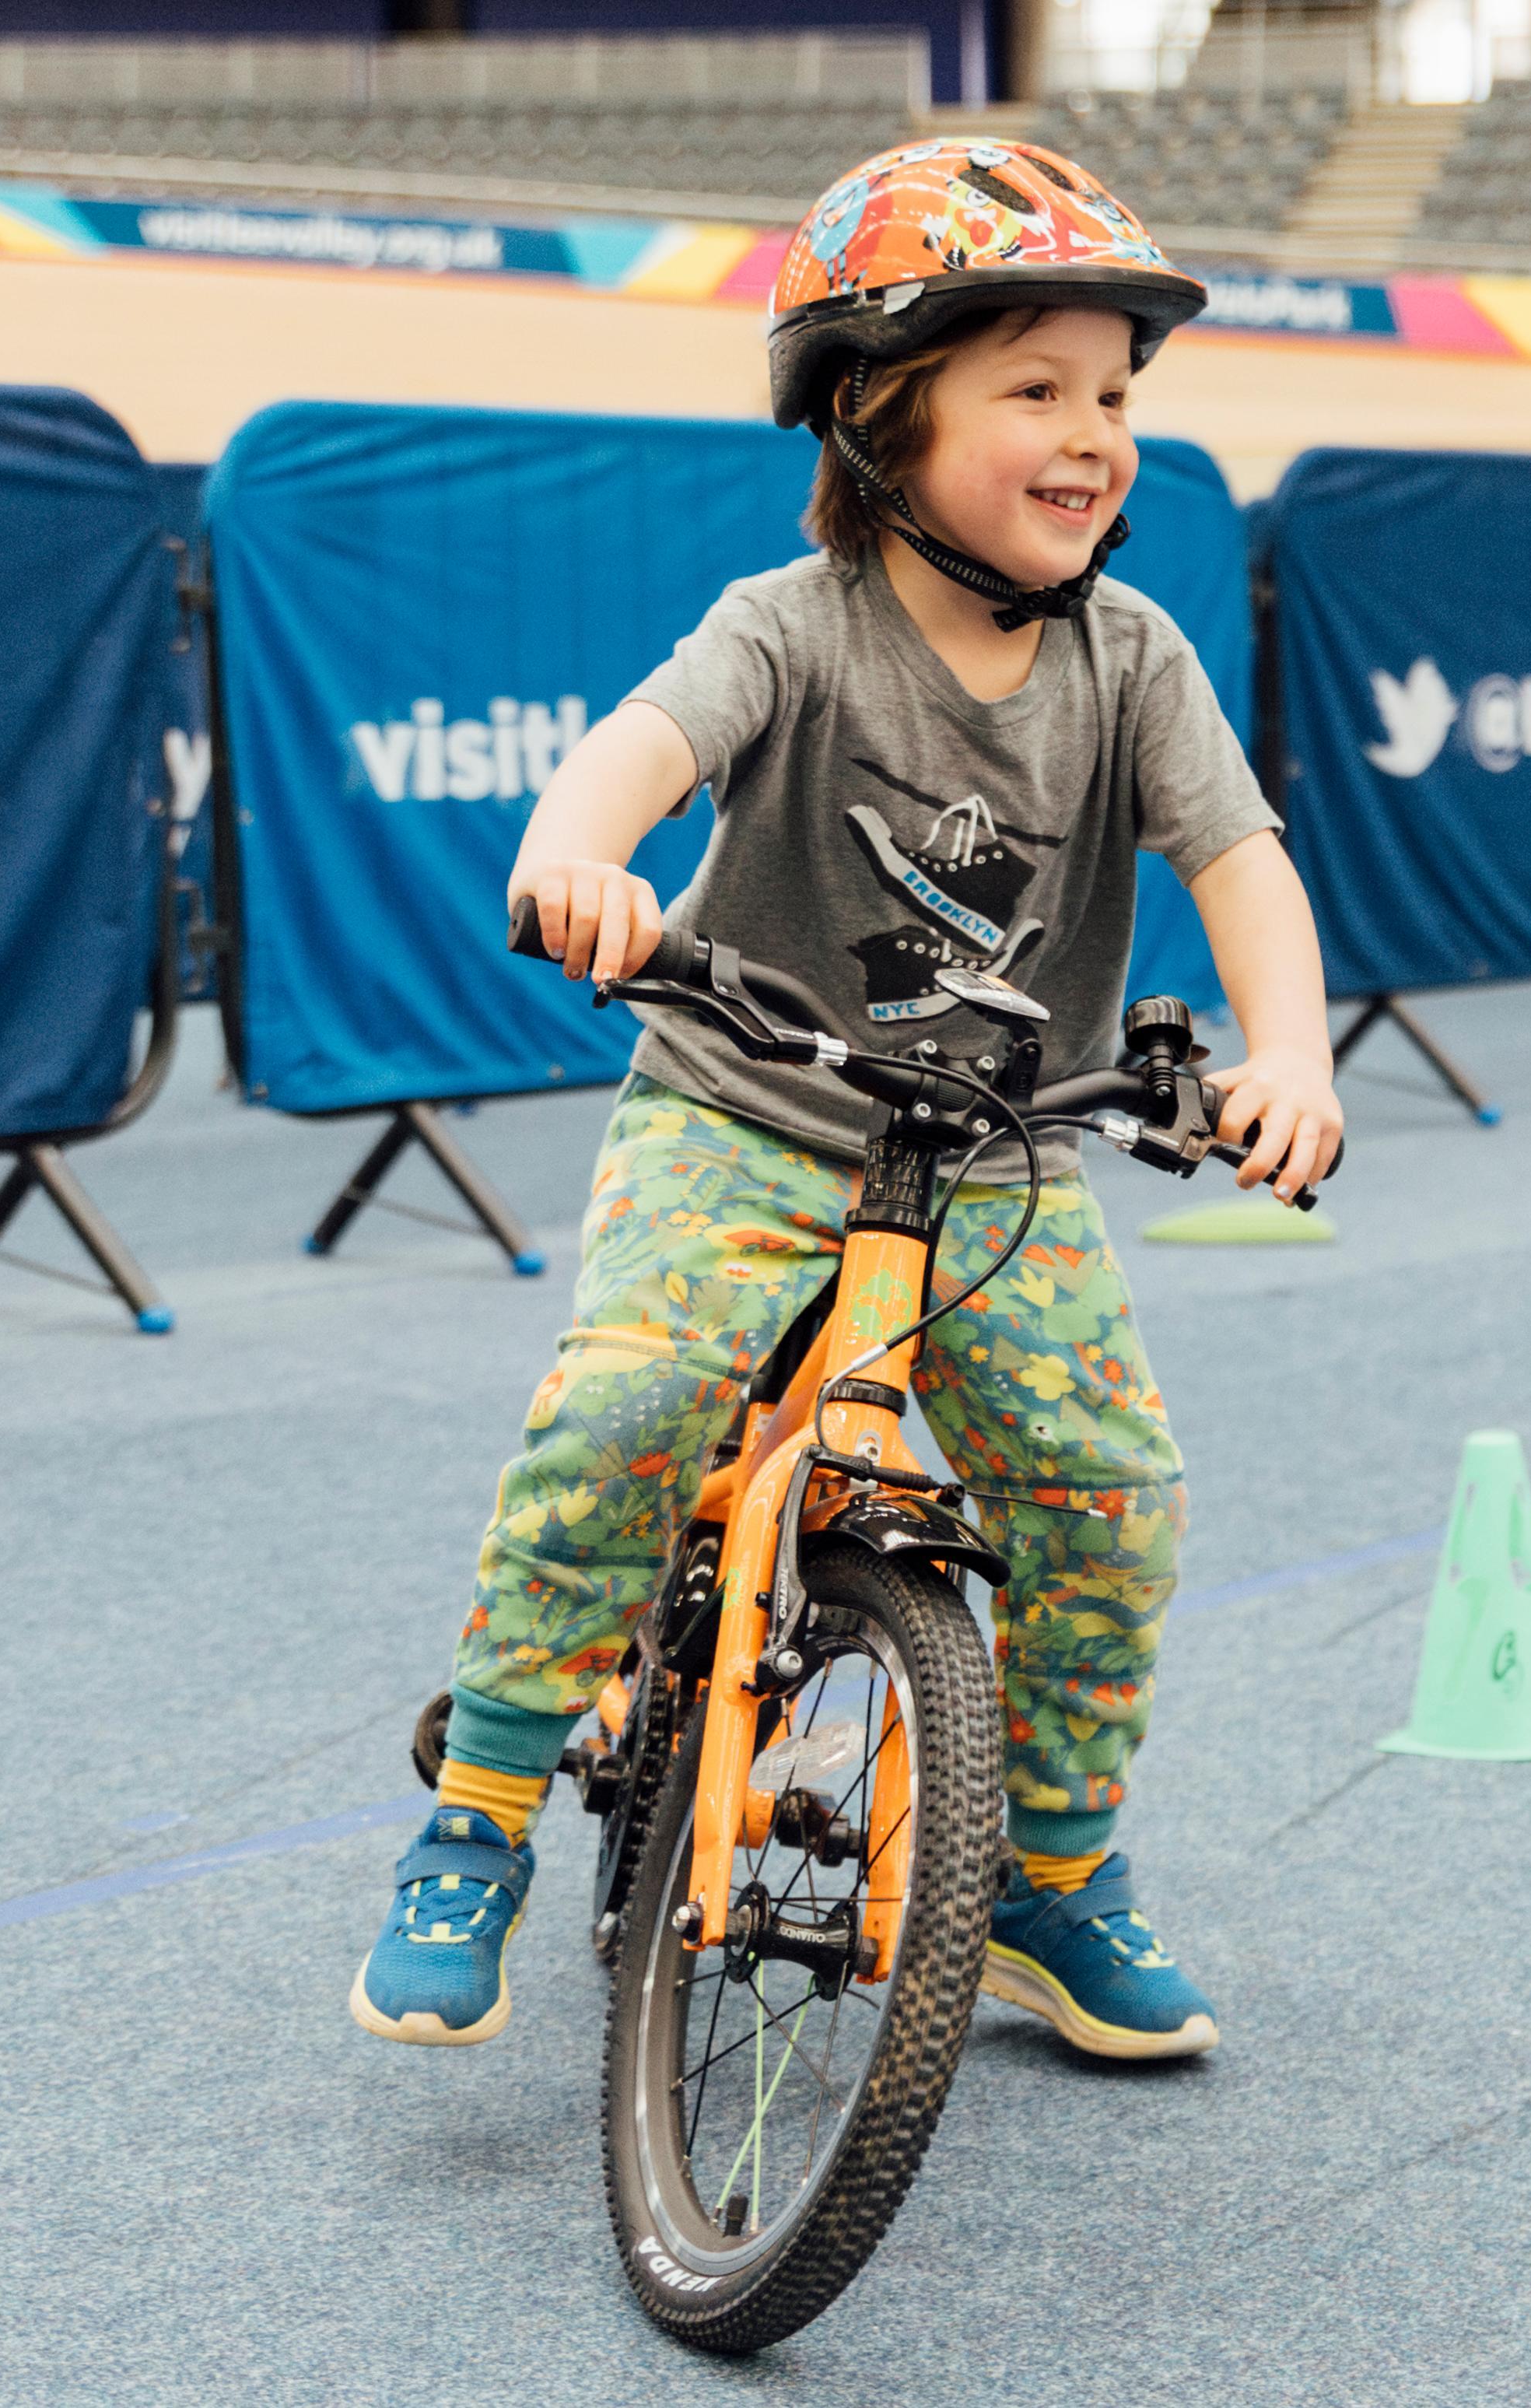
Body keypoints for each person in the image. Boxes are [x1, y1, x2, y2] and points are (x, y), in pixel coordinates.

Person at [349, 140, 1342, 2063]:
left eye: (1115, 397)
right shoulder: (790, 625)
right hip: (745, 1111)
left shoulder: (1129, 659)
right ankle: (475, 1813)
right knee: (634, 1398)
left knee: (1107, 1498)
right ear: (882, 418)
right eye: (1035, 390)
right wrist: (583, 862)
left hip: (990, 1153)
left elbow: (1243, 868)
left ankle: (1050, 1870)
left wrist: (1283, 1050)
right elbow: (635, 753)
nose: (1093, 434)